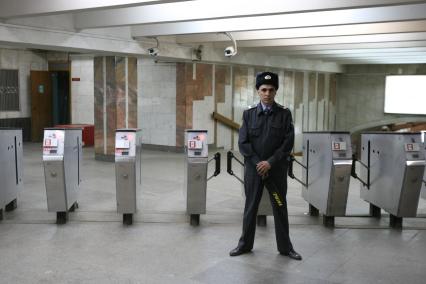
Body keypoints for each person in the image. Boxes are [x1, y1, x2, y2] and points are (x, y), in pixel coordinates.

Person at [229, 71, 302, 260]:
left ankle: (286, 248)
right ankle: (244, 245)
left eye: (271, 89)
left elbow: (287, 143)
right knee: (250, 207)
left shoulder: (284, 114)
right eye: (263, 90)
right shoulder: (249, 114)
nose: (267, 93)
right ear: (257, 91)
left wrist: (269, 163)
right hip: (254, 171)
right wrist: (257, 163)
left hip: (275, 171)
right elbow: (243, 143)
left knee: (279, 206)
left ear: (276, 91)